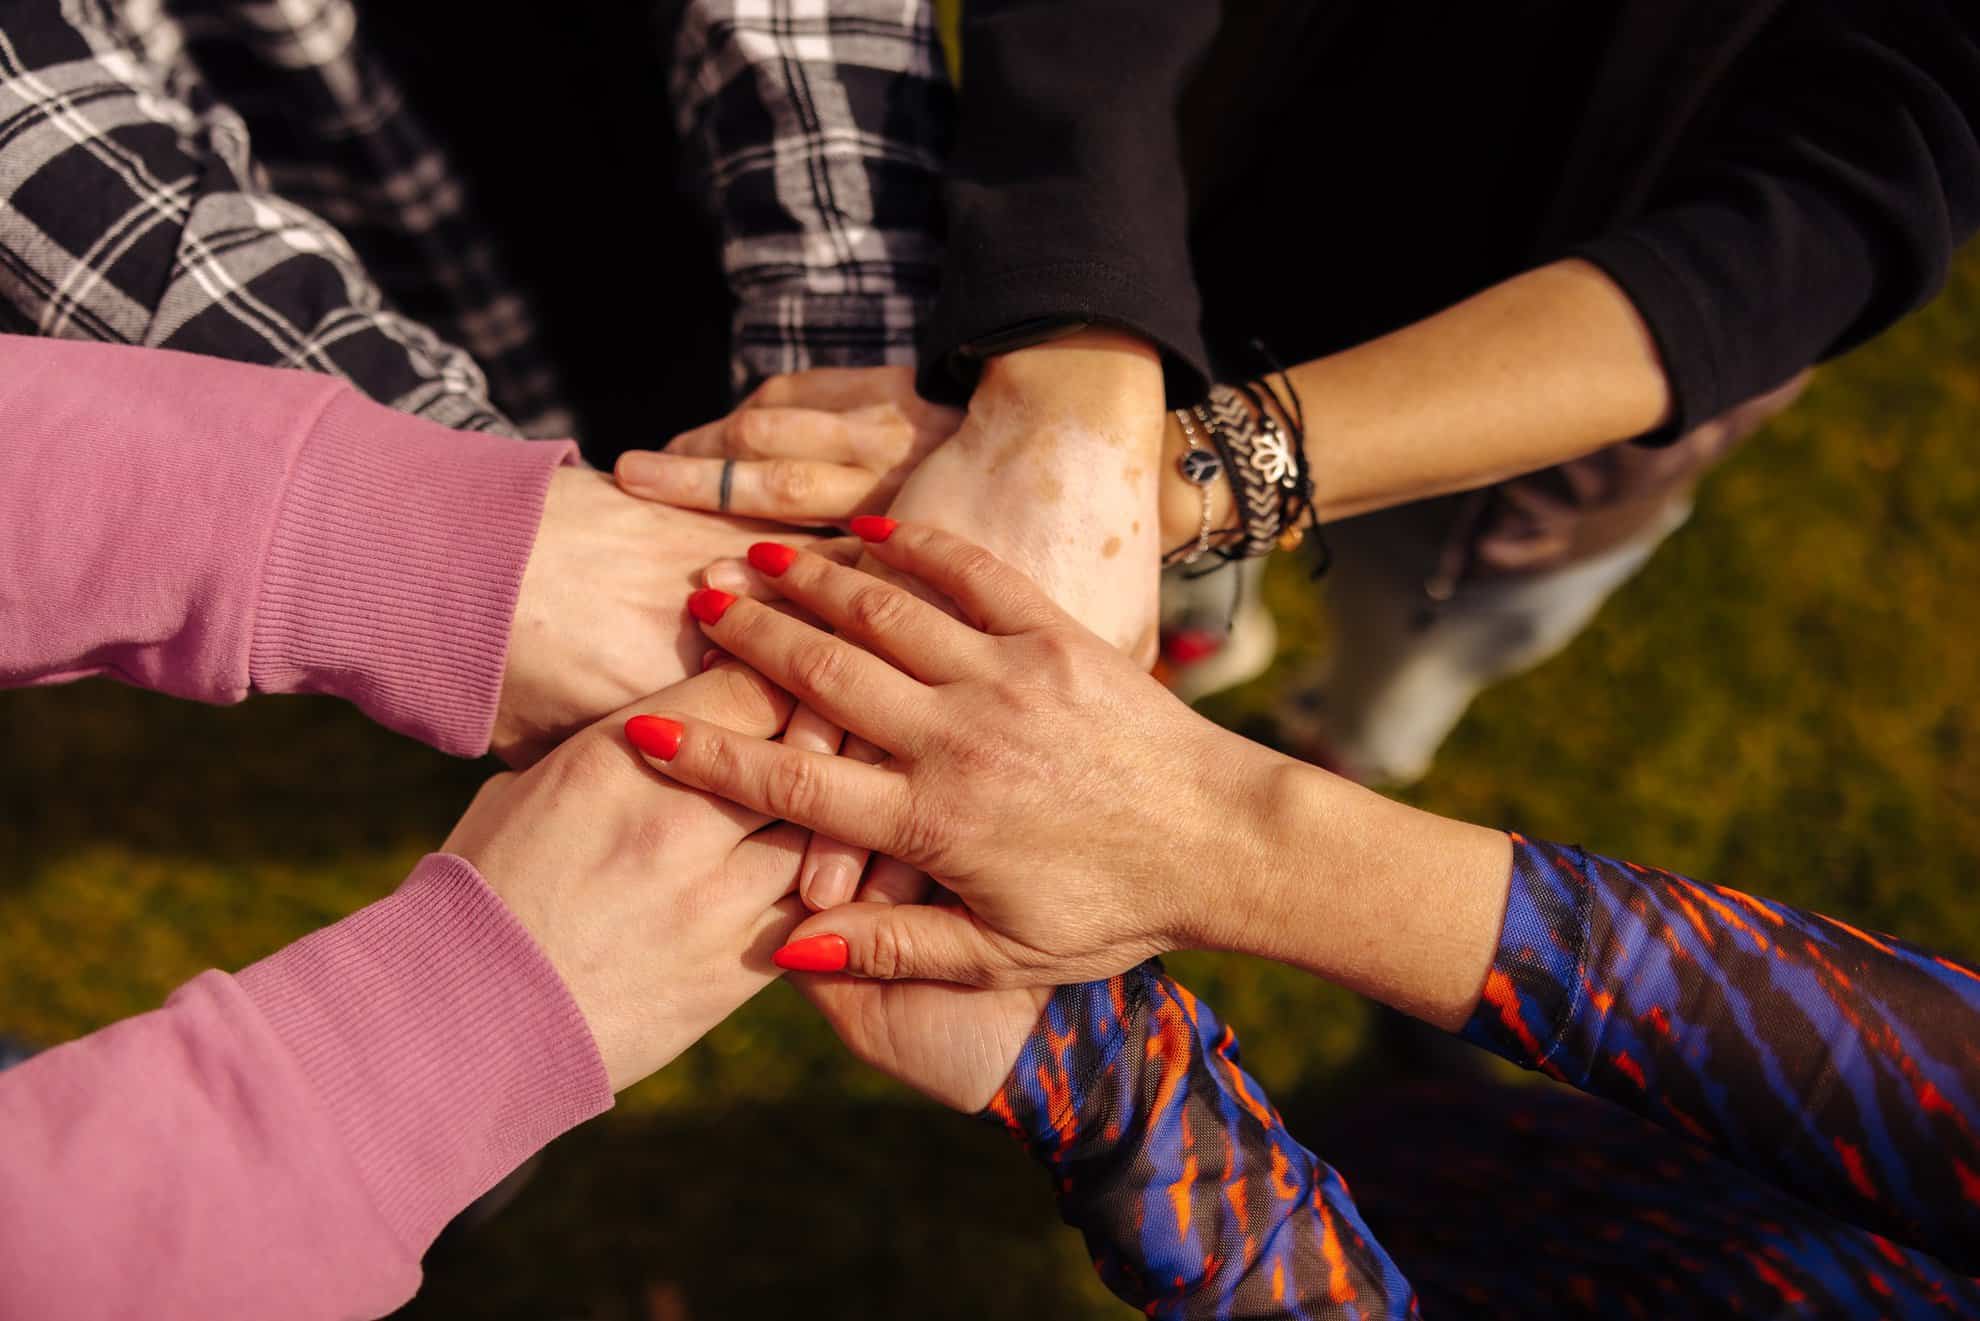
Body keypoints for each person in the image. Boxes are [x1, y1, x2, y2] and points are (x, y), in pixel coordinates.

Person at [625, 522, 1980, 1314]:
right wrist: (1243, 832)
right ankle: (1430, 1104)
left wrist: (1112, 1084)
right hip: (1744, 1223)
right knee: (1467, 1160)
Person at [620, 0, 1980, 784]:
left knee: (1424, 647)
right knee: (1173, 576)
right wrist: (1090, 355)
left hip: (1555, 417)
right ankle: (1212, 632)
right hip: (1224, 208)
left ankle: (1344, 739)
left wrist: (1165, 470)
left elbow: (1859, 183)